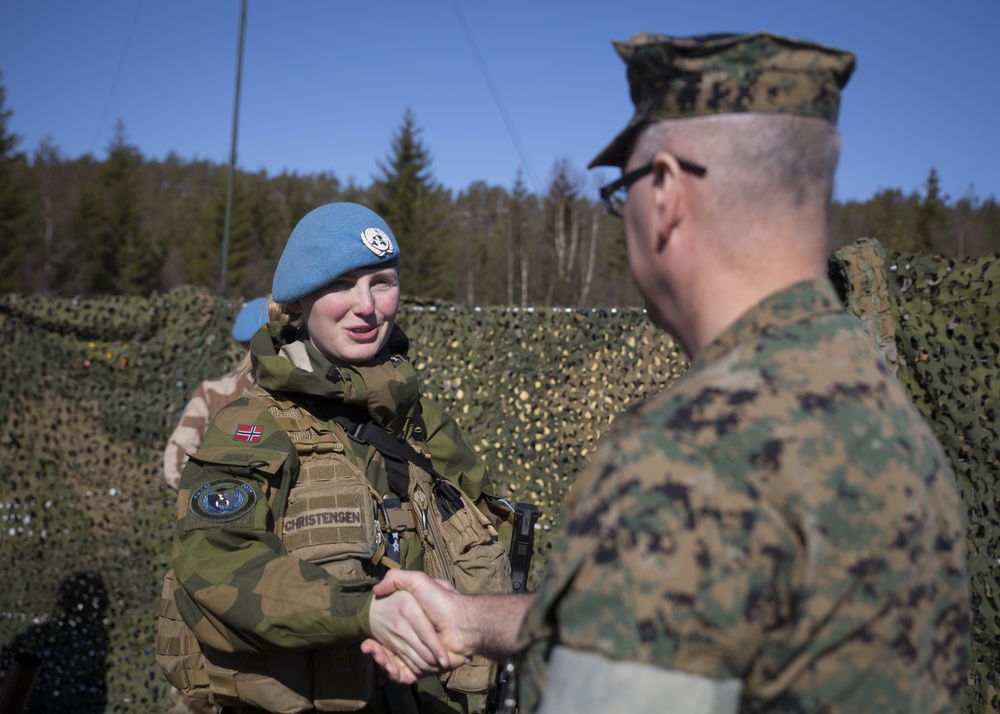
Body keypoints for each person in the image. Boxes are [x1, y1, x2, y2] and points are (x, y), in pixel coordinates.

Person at [360, 31, 971, 713]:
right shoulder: (875, 403)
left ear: (669, 193)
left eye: (624, 191)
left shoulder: (692, 450)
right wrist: (474, 618)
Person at [164, 202, 513, 714]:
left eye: (381, 281)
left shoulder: (420, 420)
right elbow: (216, 566)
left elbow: (488, 532)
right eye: (342, 283)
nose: (367, 305)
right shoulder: (254, 425)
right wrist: (364, 613)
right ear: (300, 301)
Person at [162, 296, 269, 490]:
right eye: (248, 344)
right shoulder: (213, 392)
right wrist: (214, 499)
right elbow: (177, 459)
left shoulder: (309, 389)